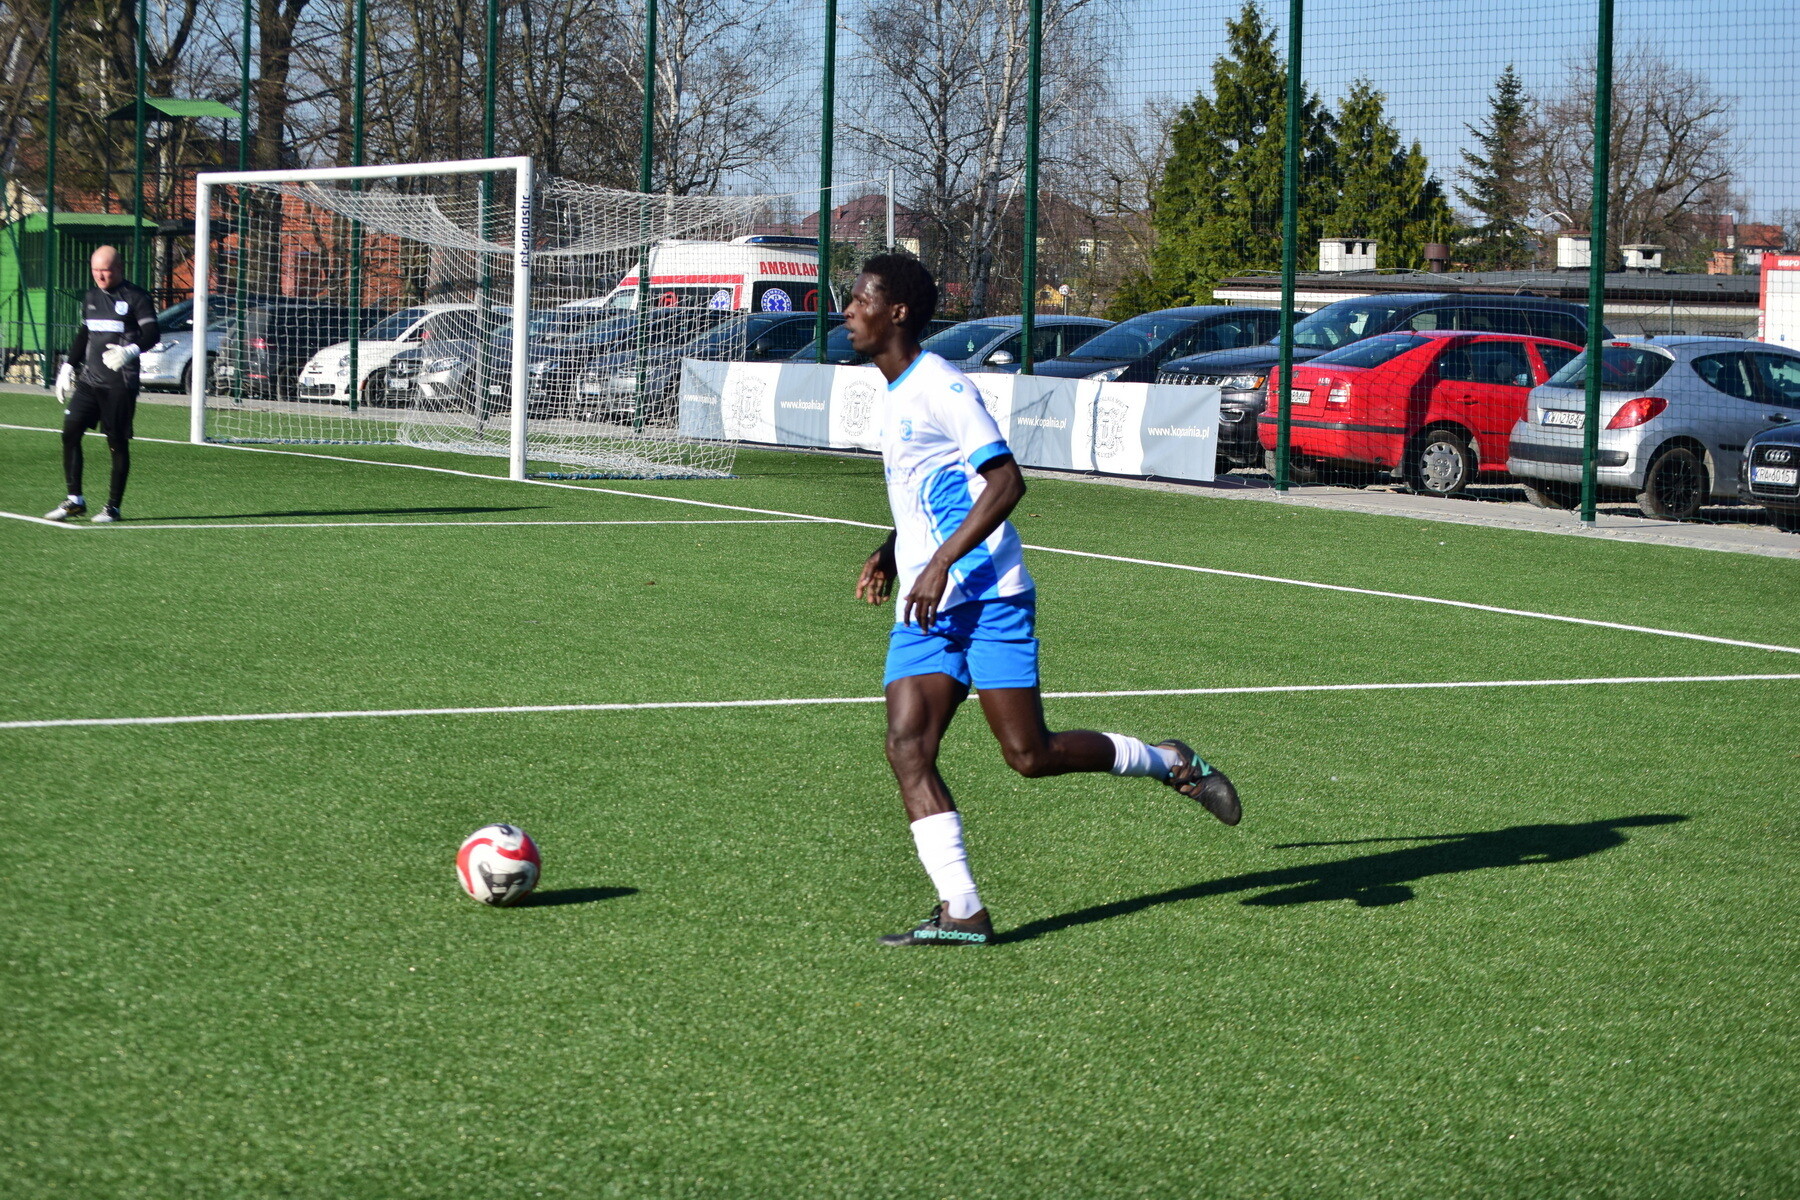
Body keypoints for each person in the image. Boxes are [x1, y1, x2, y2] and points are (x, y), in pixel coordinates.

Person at [846, 253, 1241, 948]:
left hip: (989, 597)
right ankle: (963, 911)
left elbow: (1005, 482)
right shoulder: (897, 391)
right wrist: (890, 550)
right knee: (907, 745)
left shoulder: (941, 386)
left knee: (1030, 755)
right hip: (930, 605)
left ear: (897, 312)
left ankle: (1169, 761)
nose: (848, 311)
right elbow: (930, 492)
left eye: (861, 299)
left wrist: (939, 562)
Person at [44, 246, 159, 523]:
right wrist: (68, 366)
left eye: (105, 270)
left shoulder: (136, 296)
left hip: (120, 384)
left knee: (116, 443)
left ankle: (112, 508)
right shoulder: (91, 297)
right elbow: (85, 333)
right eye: (95, 270)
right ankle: (75, 500)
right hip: (89, 382)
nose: (100, 276)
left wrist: (130, 351)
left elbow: (152, 333)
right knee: (70, 432)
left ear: (119, 268)